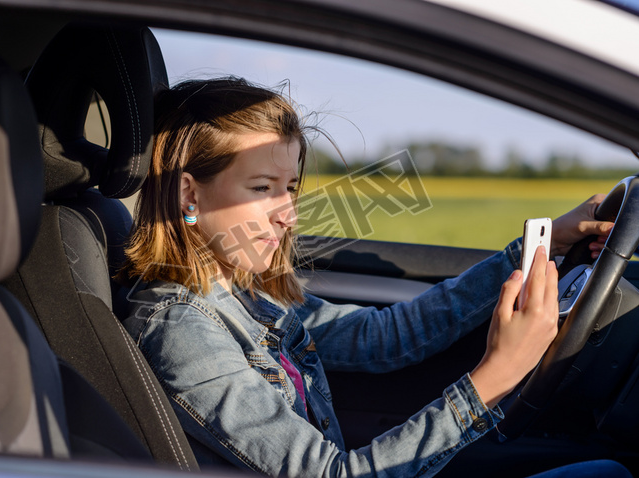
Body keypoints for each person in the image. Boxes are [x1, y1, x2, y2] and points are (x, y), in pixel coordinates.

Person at [120, 77, 629, 477]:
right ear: (190, 195)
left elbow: (384, 338)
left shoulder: (245, 293)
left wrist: (537, 248)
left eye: (291, 187)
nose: (289, 215)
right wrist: (496, 376)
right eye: (261, 187)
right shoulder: (183, 331)